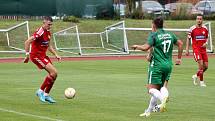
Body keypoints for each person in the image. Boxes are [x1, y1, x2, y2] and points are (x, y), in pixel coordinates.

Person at [131, 16, 183, 117]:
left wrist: (137, 46)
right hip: (168, 65)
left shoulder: (154, 35)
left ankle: (162, 99)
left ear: (154, 25)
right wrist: (179, 58)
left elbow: (146, 47)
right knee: (160, 88)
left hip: (157, 66)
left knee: (150, 89)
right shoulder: (170, 34)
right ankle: (148, 112)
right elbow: (180, 44)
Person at [23, 16, 61, 103]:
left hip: (43, 56)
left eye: (51, 25)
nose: (50, 26)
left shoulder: (48, 32)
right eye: (48, 24)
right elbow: (27, 42)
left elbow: (48, 45)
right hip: (36, 56)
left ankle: (46, 95)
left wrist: (56, 55)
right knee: (54, 72)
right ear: (44, 23)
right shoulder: (40, 32)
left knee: (54, 75)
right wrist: (27, 55)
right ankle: (40, 91)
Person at [185, 15, 208, 87]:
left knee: (206, 66)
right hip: (196, 50)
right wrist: (187, 49)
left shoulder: (205, 28)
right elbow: (188, 39)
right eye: (198, 19)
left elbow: (207, 38)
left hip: (203, 50)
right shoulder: (192, 29)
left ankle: (195, 75)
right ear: (196, 20)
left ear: (202, 20)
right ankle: (201, 82)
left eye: (200, 19)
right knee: (201, 65)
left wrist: (206, 43)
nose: (199, 20)